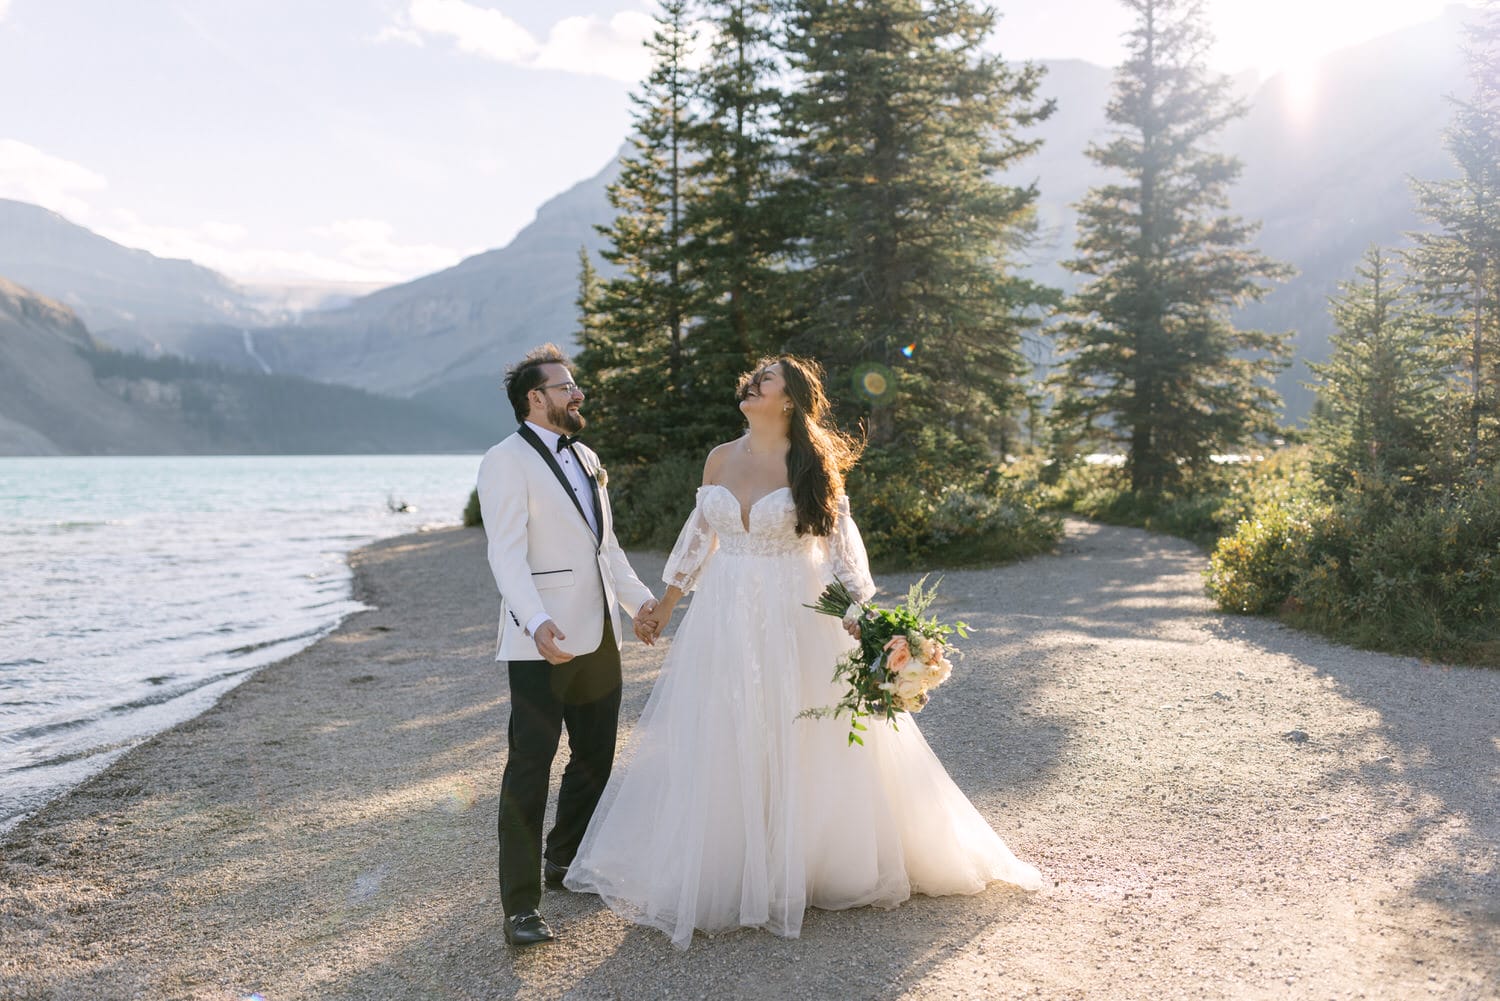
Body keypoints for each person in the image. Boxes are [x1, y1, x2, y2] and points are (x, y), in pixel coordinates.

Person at [563, 355, 1043, 950]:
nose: (752, 383)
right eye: (753, 377)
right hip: (724, 615)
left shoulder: (811, 464)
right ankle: (738, 860)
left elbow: (841, 556)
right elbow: (698, 537)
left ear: (788, 399)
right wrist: (664, 604)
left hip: (795, 612)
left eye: (765, 379)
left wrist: (861, 622)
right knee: (728, 725)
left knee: (803, 727)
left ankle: (813, 859)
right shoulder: (720, 457)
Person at [475, 344, 658, 947]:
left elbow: (606, 548)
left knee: (596, 755)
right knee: (529, 767)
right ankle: (520, 908)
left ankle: (565, 859)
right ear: (536, 397)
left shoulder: (587, 456)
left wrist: (641, 605)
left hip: (599, 632)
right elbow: (504, 551)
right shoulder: (504, 460)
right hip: (541, 639)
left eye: (575, 386)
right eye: (566, 387)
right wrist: (533, 620)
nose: (577, 394)